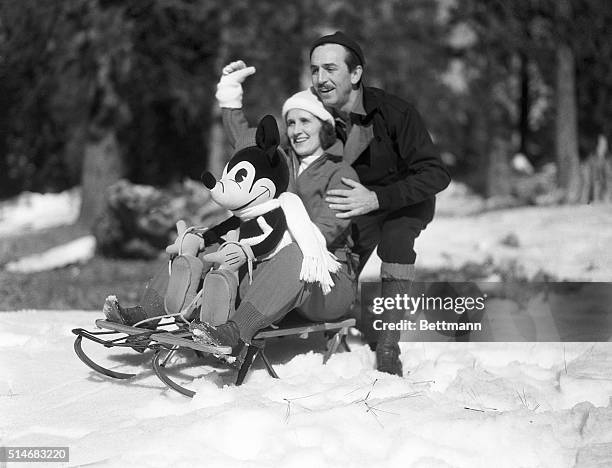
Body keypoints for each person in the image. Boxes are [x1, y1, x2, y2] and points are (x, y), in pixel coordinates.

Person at [105, 65, 359, 357]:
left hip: (326, 280)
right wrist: (229, 95)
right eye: (290, 123)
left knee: (297, 250)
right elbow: (243, 138)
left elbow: (328, 228)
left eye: (305, 121)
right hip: (267, 265)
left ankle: (235, 333)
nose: (296, 130)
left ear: (324, 125)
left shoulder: (341, 171)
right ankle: (147, 314)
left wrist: (265, 242)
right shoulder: (278, 161)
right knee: (203, 240)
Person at [308, 32, 452, 376]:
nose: (320, 79)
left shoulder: (395, 112)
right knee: (331, 253)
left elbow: (437, 174)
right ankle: (335, 322)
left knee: (396, 242)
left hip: (404, 201)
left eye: (330, 69)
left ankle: (388, 344)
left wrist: (378, 197)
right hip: (357, 205)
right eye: (314, 71)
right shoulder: (315, 116)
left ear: (355, 74)